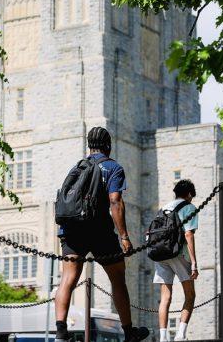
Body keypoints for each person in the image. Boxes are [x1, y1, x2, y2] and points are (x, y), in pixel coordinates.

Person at [54, 127, 150, 342]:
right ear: (108, 145)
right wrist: (124, 236)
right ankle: (129, 333)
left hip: (71, 230)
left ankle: (60, 332)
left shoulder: (77, 167)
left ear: (89, 145)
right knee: (117, 278)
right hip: (99, 232)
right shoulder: (113, 167)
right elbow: (115, 201)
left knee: (67, 278)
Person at [154, 180, 199, 342]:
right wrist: (194, 262)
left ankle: (163, 337)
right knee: (190, 295)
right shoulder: (188, 207)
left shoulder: (164, 207)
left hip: (160, 254)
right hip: (179, 254)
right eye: (191, 197)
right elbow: (189, 235)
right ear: (188, 195)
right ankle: (180, 335)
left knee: (165, 298)